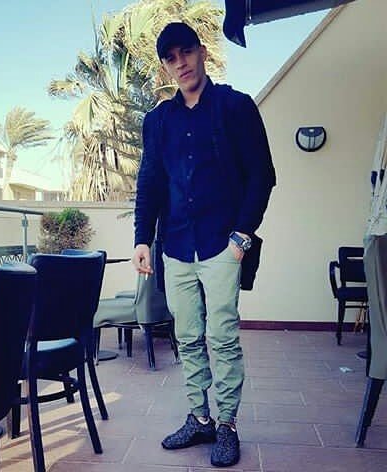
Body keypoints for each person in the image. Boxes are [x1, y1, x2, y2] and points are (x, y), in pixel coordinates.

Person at [132, 22, 276, 467]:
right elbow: (150, 182)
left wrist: (242, 236)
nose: (181, 63)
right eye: (171, 58)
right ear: (165, 67)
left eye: (187, 52)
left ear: (202, 53)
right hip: (175, 247)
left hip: (221, 245)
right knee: (188, 337)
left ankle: (227, 424)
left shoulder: (236, 107)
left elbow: (262, 175)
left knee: (223, 338)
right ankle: (200, 418)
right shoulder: (158, 121)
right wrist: (142, 239)